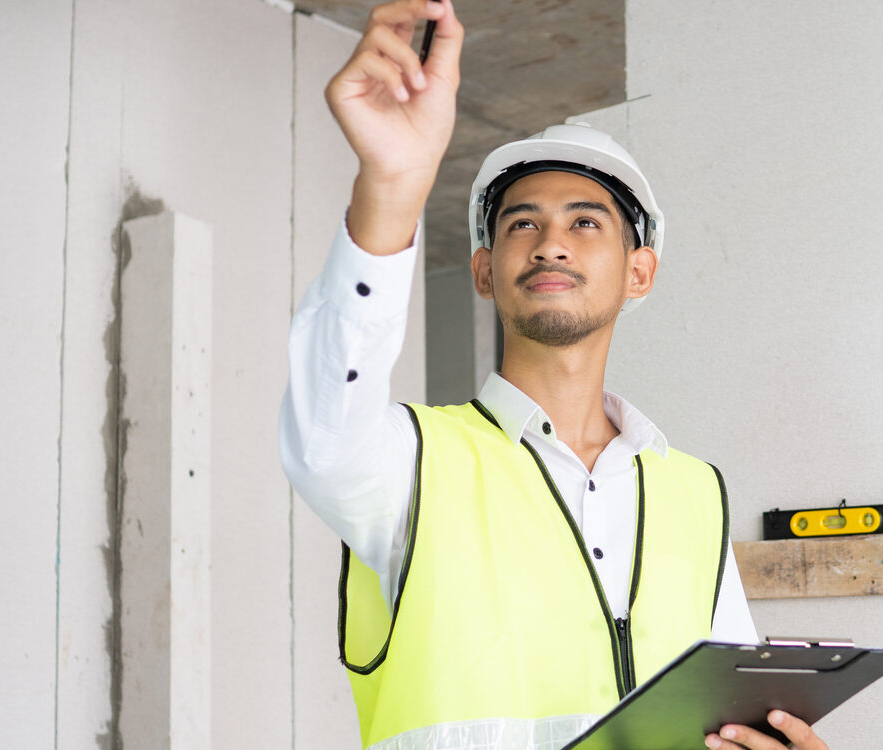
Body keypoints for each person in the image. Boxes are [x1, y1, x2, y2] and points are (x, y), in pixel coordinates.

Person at [280, 2, 831, 748]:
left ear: (640, 273)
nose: (550, 244)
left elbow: (723, 724)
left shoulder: (695, 493)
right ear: (484, 270)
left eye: (585, 221)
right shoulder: (413, 463)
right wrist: (392, 186)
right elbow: (322, 428)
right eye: (521, 224)